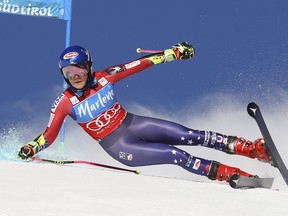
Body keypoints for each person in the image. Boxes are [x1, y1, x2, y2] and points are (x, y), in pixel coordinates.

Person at [18, 42, 272, 183]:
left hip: (134, 124)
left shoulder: (106, 77)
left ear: (89, 66)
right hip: (119, 145)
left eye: (79, 71)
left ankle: (252, 149)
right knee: (177, 155)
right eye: (68, 74)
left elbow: (140, 64)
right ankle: (236, 177)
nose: (75, 77)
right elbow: (49, 135)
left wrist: (171, 54)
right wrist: (31, 147)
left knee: (192, 135)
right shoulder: (65, 102)